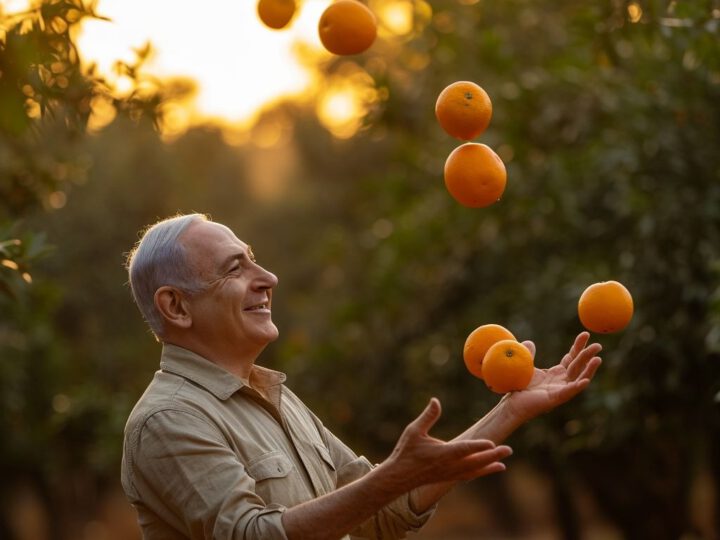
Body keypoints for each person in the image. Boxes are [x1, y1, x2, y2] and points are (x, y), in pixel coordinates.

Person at [121, 213, 602, 540]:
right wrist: (387, 479)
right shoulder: (168, 419)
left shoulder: (276, 398)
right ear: (176, 306)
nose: (267, 277)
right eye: (235, 268)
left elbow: (385, 512)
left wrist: (510, 408)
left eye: (254, 258)